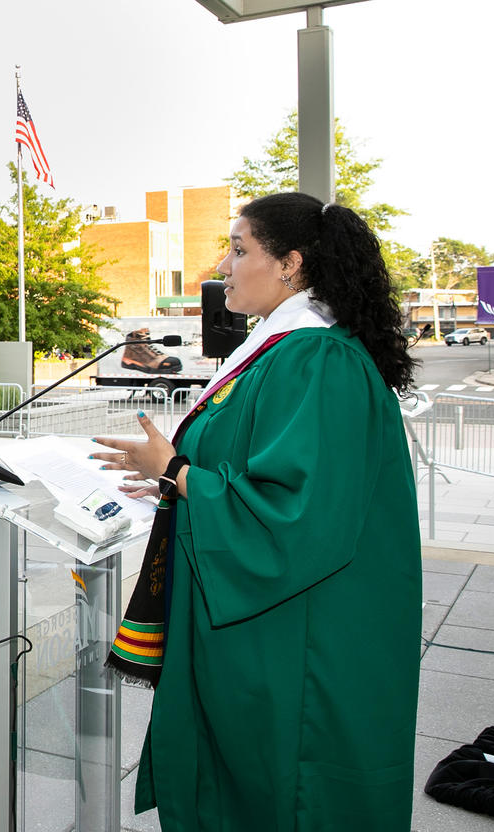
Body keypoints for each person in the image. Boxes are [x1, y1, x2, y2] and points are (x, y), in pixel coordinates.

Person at [90, 192, 421, 830]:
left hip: (298, 631)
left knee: (286, 791)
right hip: (264, 620)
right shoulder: (282, 352)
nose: (222, 264)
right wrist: (169, 482)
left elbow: (296, 511)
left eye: (239, 249)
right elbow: (251, 469)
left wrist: (180, 473)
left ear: (291, 263)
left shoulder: (316, 358)